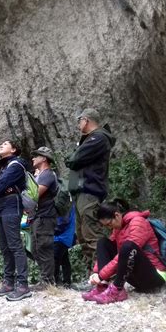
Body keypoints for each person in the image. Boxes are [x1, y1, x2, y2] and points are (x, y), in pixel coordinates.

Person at [82, 200, 166, 304]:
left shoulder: (138, 222)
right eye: (106, 226)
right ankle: (102, 287)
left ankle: (117, 290)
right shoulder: (118, 227)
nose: (109, 227)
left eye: (109, 224)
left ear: (117, 215)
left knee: (128, 246)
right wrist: (96, 273)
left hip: (155, 277)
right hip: (137, 275)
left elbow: (125, 253)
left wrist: (101, 275)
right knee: (103, 242)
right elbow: (107, 251)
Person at [65, 108, 116, 273]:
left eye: (79, 121)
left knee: (91, 233)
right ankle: (91, 275)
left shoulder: (99, 138)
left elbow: (74, 159)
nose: (78, 125)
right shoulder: (89, 140)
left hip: (90, 190)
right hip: (82, 191)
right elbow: (74, 160)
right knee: (82, 235)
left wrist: (73, 158)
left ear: (86, 120)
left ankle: (102, 274)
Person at [0, 140, 32, 301]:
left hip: (11, 205)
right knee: (5, 247)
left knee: (15, 245)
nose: (1, 145)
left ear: (13, 149)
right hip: (0, 206)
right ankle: (8, 283)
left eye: (5, 144)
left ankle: (23, 285)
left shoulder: (16, 164)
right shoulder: (5, 167)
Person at [30, 146, 58, 289]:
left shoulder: (47, 174)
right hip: (38, 217)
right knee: (36, 249)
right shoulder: (41, 175)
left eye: (36, 155)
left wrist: (33, 180)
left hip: (45, 217)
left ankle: (48, 282)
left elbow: (35, 194)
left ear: (44, 158)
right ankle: (45, 279)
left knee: (44, 247)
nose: (33, 158)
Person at [54, 205, 76, 288]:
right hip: (66, 236)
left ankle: (54, 282)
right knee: (64, 259)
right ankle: (67, 282)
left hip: (61, 237)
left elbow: (62, 222)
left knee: (55, 259)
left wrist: (51, 228)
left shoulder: (63, 201)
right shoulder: (68, 201)